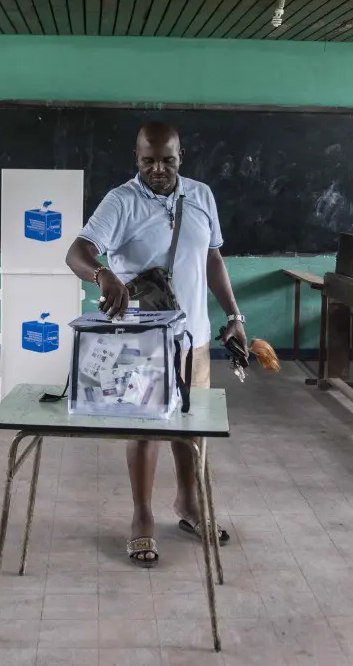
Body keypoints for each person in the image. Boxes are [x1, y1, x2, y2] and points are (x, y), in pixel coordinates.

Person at [66, 121, 245, 567]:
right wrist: (101, 273)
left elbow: (213, 258)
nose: (158, 169)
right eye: (149, 161)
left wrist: (235, 316)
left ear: (181, 156)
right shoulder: (120, 201)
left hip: (195, 337)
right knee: (145, 430)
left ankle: (189, 504)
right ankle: (142, 517)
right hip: (141, 343)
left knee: (192, 429)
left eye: (167, 160)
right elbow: (78, 251)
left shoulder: (201, 196)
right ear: (137, 158)